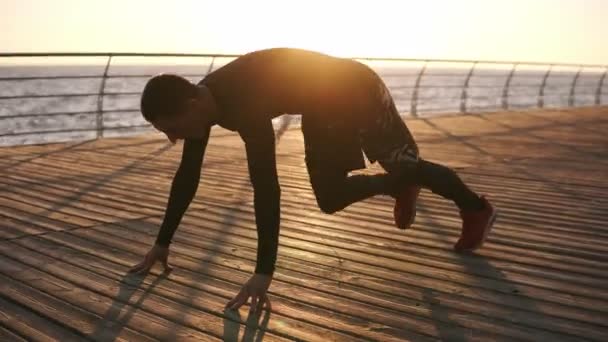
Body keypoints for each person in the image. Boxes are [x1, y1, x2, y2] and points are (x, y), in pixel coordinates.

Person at [128, 48, 497, 315]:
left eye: (172, 129)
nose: (173, 139)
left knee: (402, 165)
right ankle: (396, 183)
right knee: (331, 196)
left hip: (353, 86)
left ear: (190, 105)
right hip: (321, 102)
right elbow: (187, 177)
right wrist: (162, 243)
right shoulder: (204, 102)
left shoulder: (244, 107)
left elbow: (266, 187)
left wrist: (263, 272)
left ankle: (475, 208)